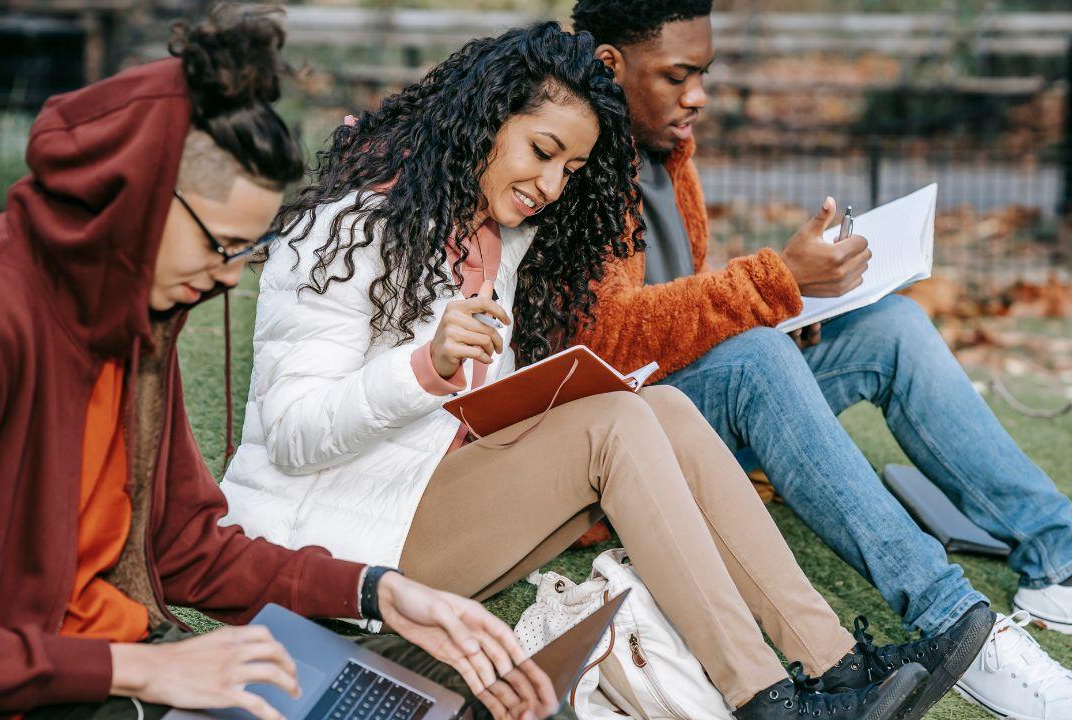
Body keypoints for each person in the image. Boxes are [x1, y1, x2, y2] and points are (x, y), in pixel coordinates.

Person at [219, 22, 961, 720]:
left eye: (570, 169)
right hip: (333, 555)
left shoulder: (495, 238)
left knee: (664, 410)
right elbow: (291, 435)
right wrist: (424, 367)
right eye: (540, 151)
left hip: (417, 504)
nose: (550, 184)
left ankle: (835, 667)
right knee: (612, 426)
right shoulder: (347, 229)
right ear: (482, 122)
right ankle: (766, 698)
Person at [0, 8, 557, 720]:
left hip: (120, 659)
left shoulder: (134, 320)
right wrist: (137, 670)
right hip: (21, 692)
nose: (230, 277)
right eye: (220, 246)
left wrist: (376, 590)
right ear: (135, 197)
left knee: (452, 693)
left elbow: (186, 546)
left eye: (244, 253)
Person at [569, 1, 1072, 718]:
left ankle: (1064, 562)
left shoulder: (664, 152)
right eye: (678, 75)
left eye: (705, 73)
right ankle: (953, 625)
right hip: (624, 446)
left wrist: (796, 310)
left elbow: (678, 306)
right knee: (753, 358)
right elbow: (604, 342)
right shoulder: (567, 157)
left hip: (691, 394)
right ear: (608, 65)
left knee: (891, 325)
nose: (700, 96)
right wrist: (773, 285)